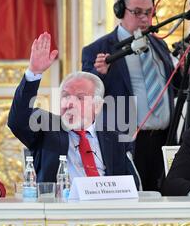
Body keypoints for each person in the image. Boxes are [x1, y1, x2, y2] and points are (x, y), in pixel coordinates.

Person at [82, 0, 181, 191]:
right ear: (120, 11)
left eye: (149, 12)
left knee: (166, 198)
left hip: (164, 139)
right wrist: (100, 73)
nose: (144, 18)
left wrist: (184, 69)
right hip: (126, 142)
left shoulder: (159, 45)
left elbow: (176, 89)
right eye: (137, 12)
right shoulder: (99, 49)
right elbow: (86, 98)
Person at [8, 32, 139, 187]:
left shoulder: (116, 138)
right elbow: (17, 120)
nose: (70, 103)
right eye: (65, 96)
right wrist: (34, 73)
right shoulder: (45, 127)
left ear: (96, 106)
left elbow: (133, 185)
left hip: (105, 207)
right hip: (62, 207)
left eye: (79, 98)